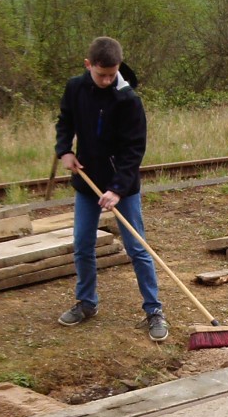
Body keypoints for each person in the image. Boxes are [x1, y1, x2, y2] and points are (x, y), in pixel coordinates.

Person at [54, 36, 168, 342]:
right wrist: (64, 150)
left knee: (137, 247)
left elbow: (135, 149)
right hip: (87, 180)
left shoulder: (128, 100)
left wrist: (117, 189)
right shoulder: (75, 87)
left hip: (123, 186)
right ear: (88, 65)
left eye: (112, 74)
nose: (106, 79)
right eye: (101, 74)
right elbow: (65, 121)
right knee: (82, 244)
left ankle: (154, 309)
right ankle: (87, 302)